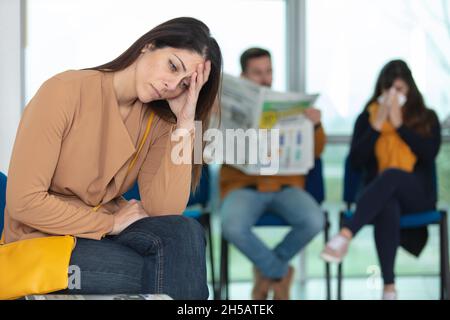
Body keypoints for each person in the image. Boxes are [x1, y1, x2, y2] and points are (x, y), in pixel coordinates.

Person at [3, 17, 222, 300]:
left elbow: (164, 210)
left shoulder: (159, 121)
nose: (171, 85)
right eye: (172, 66)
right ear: (149, 45)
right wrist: (109, 224)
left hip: (108, 233)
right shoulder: (64, 91)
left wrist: (183, 123)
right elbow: (24, 203)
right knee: (165, 270)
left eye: (184, 84)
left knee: (185, 231)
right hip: (43, 241)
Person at [321, 60, 441, 300]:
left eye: (400, 91)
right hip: (380, 198)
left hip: (418, 194)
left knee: (392, 175)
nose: (393, 97)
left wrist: (398, 125)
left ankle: (345, 234)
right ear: (380, 92)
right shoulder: (367, 118)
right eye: (388, 91)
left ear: (410, 90)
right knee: (387, 203)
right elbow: (355, 162)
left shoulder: (427, 117)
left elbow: (429, 154)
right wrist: (376, 126)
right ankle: (389, 289)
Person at [220, 48, 326, 300]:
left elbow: (317, 151)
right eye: (257, 73)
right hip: (242, 186)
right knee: (231, 226)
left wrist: (316, 125)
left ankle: (265, 273)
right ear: (243, 76)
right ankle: (279, 273)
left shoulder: (293, 106)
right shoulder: (227, 107)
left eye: (269, 71)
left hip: (285, 185)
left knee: (314, 221)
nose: (265, 78)